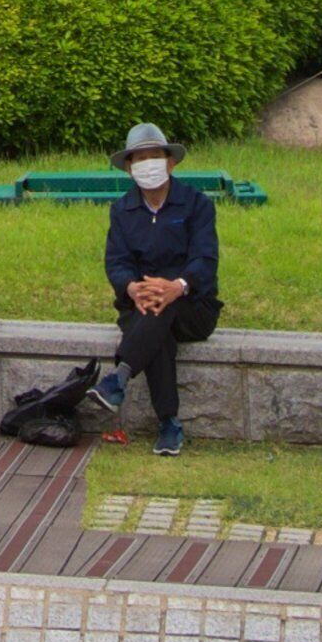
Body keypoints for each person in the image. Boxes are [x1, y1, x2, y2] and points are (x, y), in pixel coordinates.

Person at [91, 121, 217, 457]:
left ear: (170, 162)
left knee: (166, 304)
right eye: (139, 158)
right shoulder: (122, 210)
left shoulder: (196, 204)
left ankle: (120, 375)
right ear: (130, 167)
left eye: (154, 156)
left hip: (193, 306)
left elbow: (205, 259)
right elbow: (116, 263)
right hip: (142, 305)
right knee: (156, 323)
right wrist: (132, 289)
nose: (148, 164)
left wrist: (178, 286)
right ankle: (168, 423)